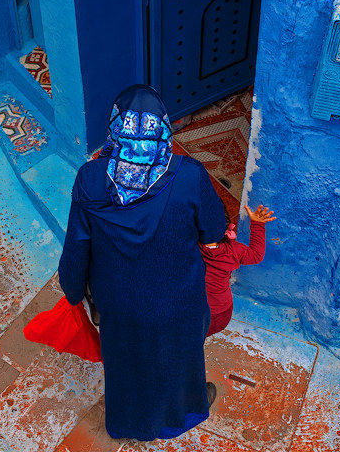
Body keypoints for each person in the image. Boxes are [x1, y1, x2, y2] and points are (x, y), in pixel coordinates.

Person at [58, 85, 227, 442]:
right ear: (163, 128)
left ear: (114, 129)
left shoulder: (90, 179)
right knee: (181, 357)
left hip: (117, 303)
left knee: (124, 364)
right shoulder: (189, 176)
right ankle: (185, 411)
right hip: (178, 301)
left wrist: (74, 292)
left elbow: (77, 246)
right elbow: (212, 230)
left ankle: (126, 424)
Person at [202, 204, 276, 336]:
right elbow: (256, 255)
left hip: (196, 315)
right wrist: (258, 224)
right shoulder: (234, 250)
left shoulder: (189, 248)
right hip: (222, 313)